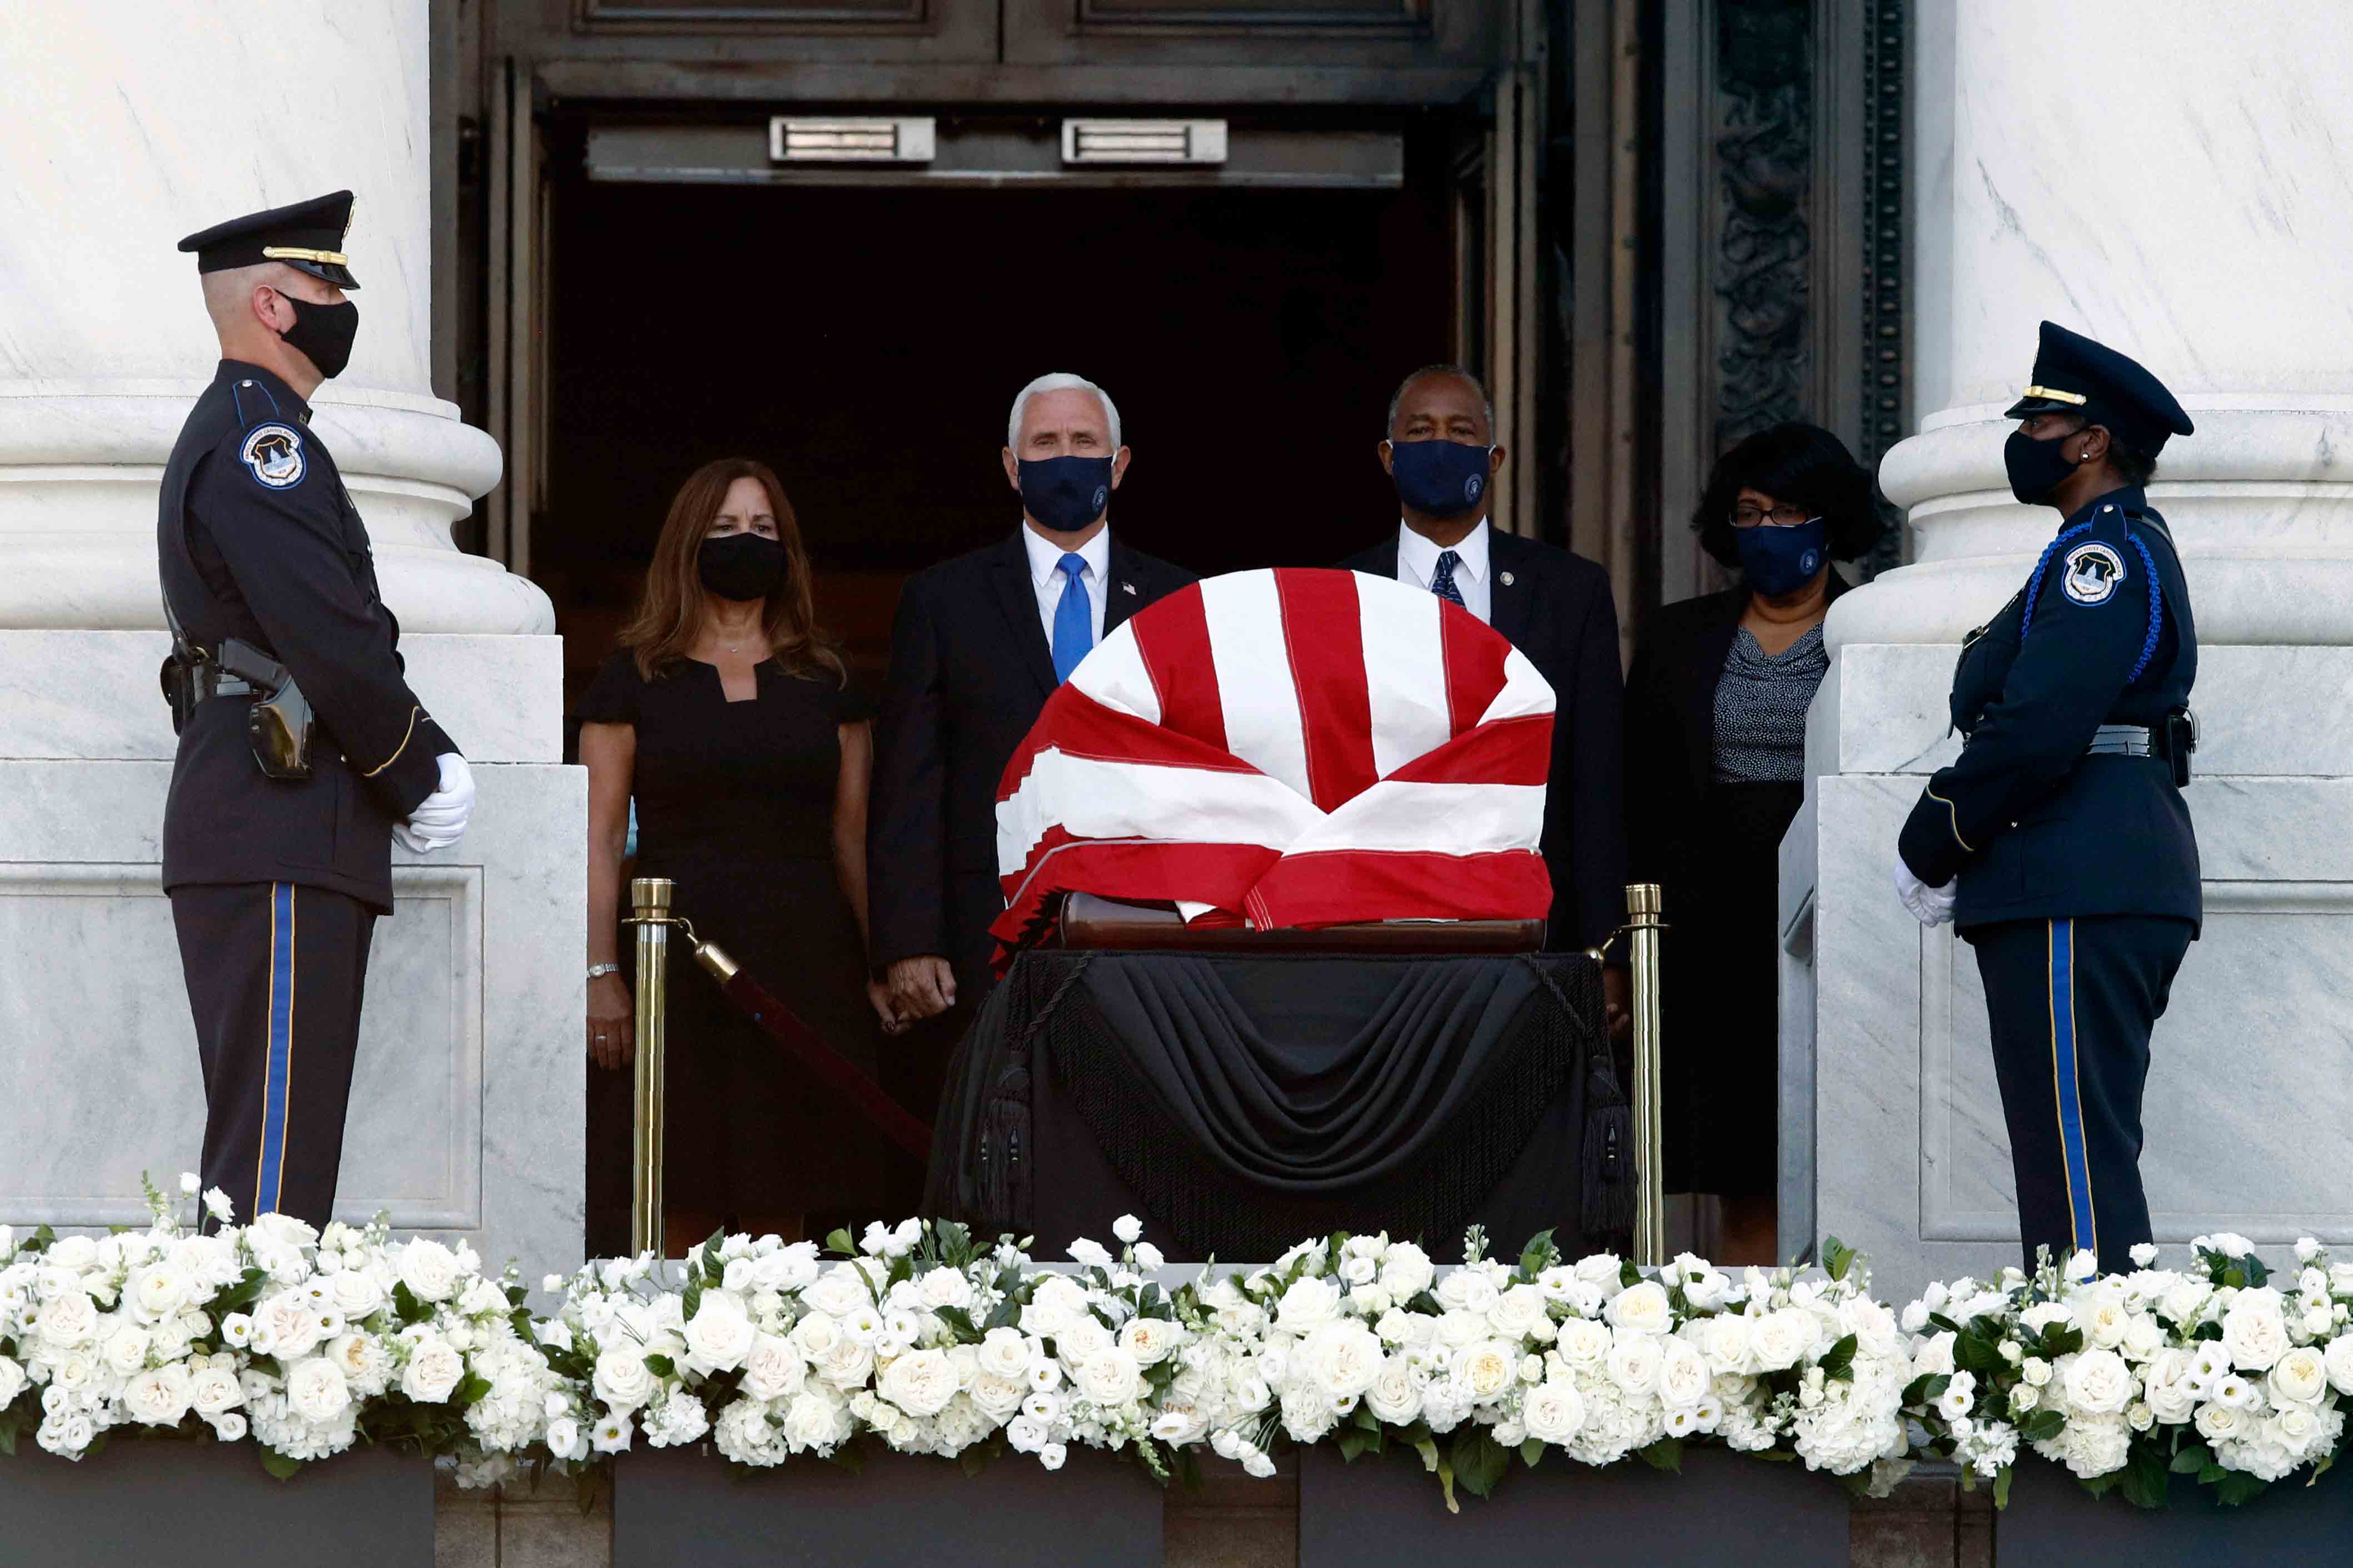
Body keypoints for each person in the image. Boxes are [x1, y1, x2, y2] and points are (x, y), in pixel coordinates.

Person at [158, 191, 474, 1229]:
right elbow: (327, 634)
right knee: (272, 1180)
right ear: (271, 306)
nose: (342, 302)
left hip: (278, 813)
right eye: (323, 285)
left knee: (274, 1163)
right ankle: (244, 1384)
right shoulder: (262, 445)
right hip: (279, 818)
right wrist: (418, 764)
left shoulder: (266, 433)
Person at [1897, 321, 2200, 1278]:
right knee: (2072, 1158)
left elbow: (2037, 724)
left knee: (2074, 1164)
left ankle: (2094, 1390)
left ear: (2091, 441)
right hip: (2081, 866)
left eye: (2040, 422)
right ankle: (2093, 1376)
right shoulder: (2088, 551)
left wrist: (1935, 832)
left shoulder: (2098, 560)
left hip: (2074, 868)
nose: (2022, 438)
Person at [868, 374, 1195, 1143]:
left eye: (1083, 443)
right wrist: (908, 941)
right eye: (1045, 443)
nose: (1064, 458)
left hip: (1141, 928)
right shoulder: (942, 600)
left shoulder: (1181, 602)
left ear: (1118, 464)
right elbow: (910, 779)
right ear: (1011, 466)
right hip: (984, 935)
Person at [578, 459, 891, 1252]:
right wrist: (598, 971)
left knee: (785, 1194)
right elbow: (600, 836)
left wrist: (880, 961)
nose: (744, 545)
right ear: (687, 544)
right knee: (676, 1191)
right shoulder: (634, 676)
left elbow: (851, 838)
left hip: (804, 960)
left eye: (761, 530)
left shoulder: (828, 680)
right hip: (674, 961)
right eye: (723, 530)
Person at [1622, 421, 1885, 1263]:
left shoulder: (1874, 631)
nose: (1767, 531)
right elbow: (1640, 794)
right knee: (1744, 1155)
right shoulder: (1676, 637)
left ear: (1831, 519)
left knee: (1847, 1134)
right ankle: (1758, 1337)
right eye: (1749, 512)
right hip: (1712, 926)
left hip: (1837, 915)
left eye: (1789, 512)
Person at [1340, 365, 1628, 959]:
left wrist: (1607, 950)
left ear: (1494, 459)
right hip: (1372, 918)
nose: (1440, 445)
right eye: (1420, 432)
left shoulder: (1571, 591)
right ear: (1388, 456)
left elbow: (1597, 779)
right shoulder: (1338, 591)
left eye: (1460, 431)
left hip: (1534, 919)